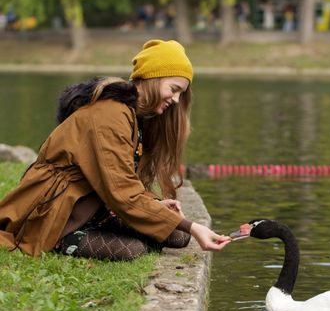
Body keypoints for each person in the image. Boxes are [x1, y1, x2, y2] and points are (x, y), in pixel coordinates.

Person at [0, 39, 231, 260]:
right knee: (133, 250)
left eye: (181, 93)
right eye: (174, 88)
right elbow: (122, 191)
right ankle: (60, 240)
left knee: (179, 236)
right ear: (152, 78)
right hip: (57, 209)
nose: (177, 100)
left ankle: (94, 225)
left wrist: (155, 204)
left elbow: (121, 180)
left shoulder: (131, 114)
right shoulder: (110, 114)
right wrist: (193, 225)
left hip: (93, 202)